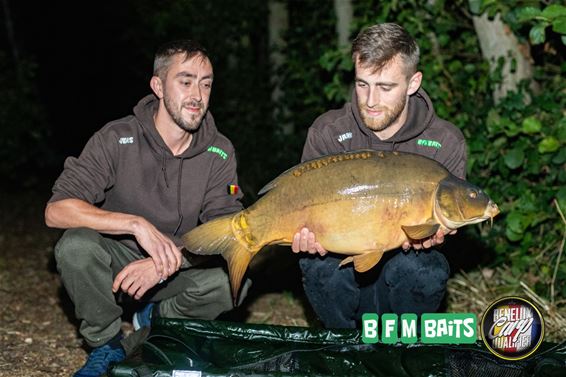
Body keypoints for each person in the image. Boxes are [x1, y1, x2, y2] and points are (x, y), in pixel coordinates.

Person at [44, 40, 255, 377]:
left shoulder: (219, 150)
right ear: (158, 86)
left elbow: (224, 230)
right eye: (185, 81)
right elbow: (56, 210)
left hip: (175, 267)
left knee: (232, 283)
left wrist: (166, 263)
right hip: (115, 264)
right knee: (76, 246)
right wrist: (135, 224)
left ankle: (155, 322)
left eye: (206, 83)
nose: (197, 95)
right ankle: (105, 344)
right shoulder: (116, 138)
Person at [292, 23, 467, 328]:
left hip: (400, 284)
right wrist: (306, 235)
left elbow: (447, 221)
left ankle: (400, 347)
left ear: (413, 83)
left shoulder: (445, 141)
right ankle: (345, 349)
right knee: (317, 266)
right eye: (362, 84)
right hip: (344, 277)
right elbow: (299, 204)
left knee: (424, 268)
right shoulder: (328, 132)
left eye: (385, 87)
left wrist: (435, 235)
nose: (370, 100)